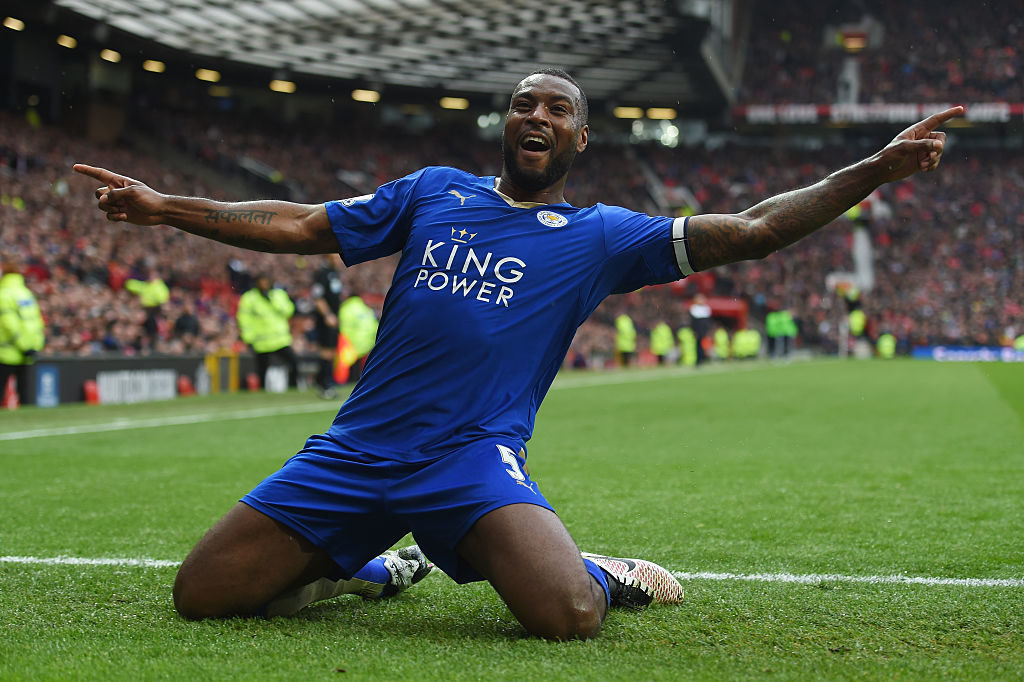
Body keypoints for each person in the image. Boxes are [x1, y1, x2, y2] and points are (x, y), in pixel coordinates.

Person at [74, 68, 961, 640]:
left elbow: (755, 229)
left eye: (558, 109)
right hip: (357, 448)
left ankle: (608, 574)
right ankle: (371, 569)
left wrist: (873, 169)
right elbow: (302, 224)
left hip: (468, 459)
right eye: (524, 103)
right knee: (202, 596)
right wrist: (166, 208)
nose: (537, 114)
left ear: (580, 140)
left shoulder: (601, 236)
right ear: (505, 126)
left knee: (567, 615)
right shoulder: (431, 193)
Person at [236, 274, 300, 390]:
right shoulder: (249, 298)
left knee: (294, 363)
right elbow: (244, 319)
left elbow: (289, 311)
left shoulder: (278, 295)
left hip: (280, 340)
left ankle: (293, 387)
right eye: (261, 282)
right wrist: (248, 338)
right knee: (262, 370)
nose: (264, 285)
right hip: (261, 341)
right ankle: (262, 392)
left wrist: (273, 302)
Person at [0, 258, 46, 405]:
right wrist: (33, 346)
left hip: (6, 352)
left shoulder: (4, 294)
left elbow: (9, 324)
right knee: (25, 394)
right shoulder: (27, 294)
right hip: (28, 352)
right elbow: (36, 321)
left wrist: (23, 345)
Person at [310, 260, 344, 398]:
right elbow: (318, 298)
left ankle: (321, 381)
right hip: (326, 319)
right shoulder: (322, 274)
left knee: (331, 351)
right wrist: (328, 315)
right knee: (326, 351)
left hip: (334, 318)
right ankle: (325, 385)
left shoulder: (334, 274)